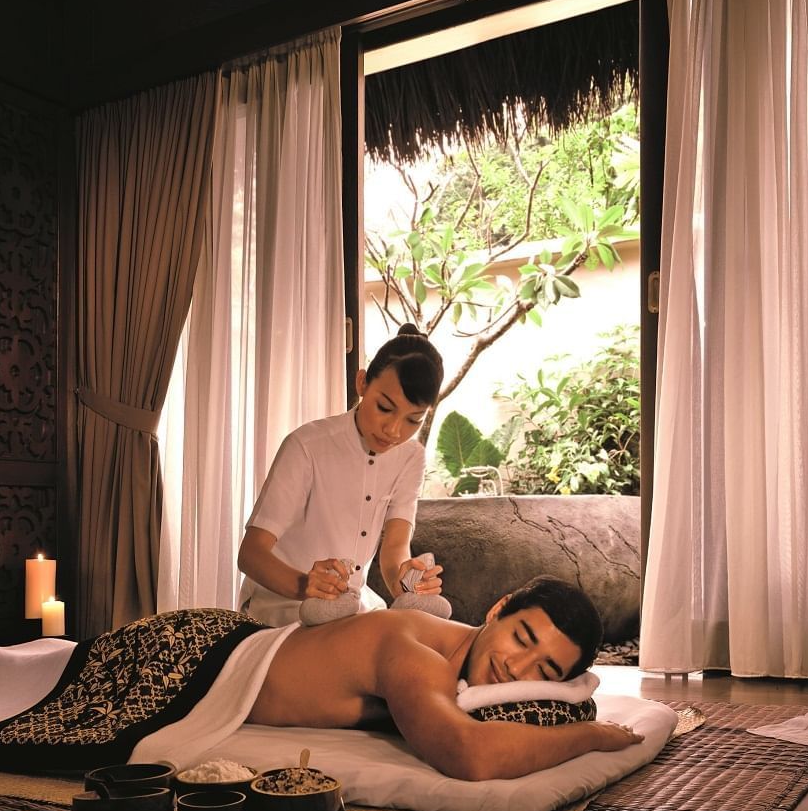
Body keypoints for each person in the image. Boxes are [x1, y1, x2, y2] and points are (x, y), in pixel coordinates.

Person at [248, 575, 644, 781]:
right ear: (498, 610)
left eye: (544, 672)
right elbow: (470, 755)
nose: (517, 670)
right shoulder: (416, 652)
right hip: (202, 660)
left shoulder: (455, 667)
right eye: (521, 638)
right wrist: (593, 736)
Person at [236, 324, 453, 627]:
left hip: (352, 605)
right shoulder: (307, 445)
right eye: (384, 408)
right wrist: (306, 585)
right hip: (280, 603)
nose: (394, 430)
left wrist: (407, 584)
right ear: (362, 382)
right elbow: (250, 555)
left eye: (412, 420)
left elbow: (394, 550)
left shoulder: (411, 457)